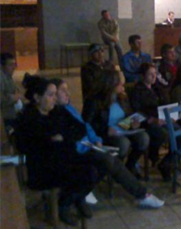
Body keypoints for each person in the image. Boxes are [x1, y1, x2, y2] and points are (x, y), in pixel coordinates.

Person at [50, 78, 164, 208]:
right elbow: (72, 136)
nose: (68, 93)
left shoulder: (69, 107)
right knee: (110, 160)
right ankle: (141, 195)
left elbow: (86, 126)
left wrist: (96, 140)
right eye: (63, 91)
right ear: (53, 96)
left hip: (90, 145)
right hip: (79, 151)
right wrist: (95, 140)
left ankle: (141, 194)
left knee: (116, 157)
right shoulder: (57, 114)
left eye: (67, 90)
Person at [15, 75, 98, 225]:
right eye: (50, 95)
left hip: (64, 158)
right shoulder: (28, 118)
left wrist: (63, 137)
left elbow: (80, 128)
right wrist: (51, 140)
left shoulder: (57, 111)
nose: (54, 99)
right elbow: (26, 146)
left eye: (55, 94)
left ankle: (69, 201)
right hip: (42, 168)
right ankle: (68, 203)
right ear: (37, 98)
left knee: (98, 164)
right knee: (86, 173)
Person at [82, 70, 150, 179]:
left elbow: (128, 114)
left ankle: (130, 165)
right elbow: (87, 123)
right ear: (112, 84)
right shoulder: (94, 100)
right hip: (106, 133)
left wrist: (132, 122)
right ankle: (117, 171)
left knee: (144, 138)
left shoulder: (121, 97)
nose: (123, 87)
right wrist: (106, 130)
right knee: (124, 143)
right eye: (121, 84)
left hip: (123, 129)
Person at [129, 63, 170, 179]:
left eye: (155, 74)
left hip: (161, 118)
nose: (154, 76)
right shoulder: (137, 91)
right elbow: (137, 111)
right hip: (146, 121)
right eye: (150, 74)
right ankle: (154, 154)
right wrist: (152, 120)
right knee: (162, 134)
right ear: (143, 76)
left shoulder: (157, 88)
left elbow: (165, 103)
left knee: (179, 133)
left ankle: (167, 162)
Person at [0, 53, 22, 129]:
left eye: (14, 64)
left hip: (13, 112)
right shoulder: (1, 78)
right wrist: (13, 97)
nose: (14, 67)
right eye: (10, 65)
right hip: (6, 117)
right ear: (1, 66)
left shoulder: (7, 75)